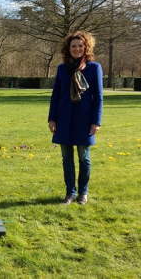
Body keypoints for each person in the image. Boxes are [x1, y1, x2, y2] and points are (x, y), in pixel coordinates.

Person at [48, 31, 103, 205]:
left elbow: (98, 97)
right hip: (63, 119)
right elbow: (56, 95)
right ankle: (70, 192)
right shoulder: (62, 69)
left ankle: (83, 193)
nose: (77, 49)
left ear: (86, 47)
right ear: (68, 48)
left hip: (84, 120)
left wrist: (96, 121)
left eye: (80, 45)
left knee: (83, 157)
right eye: (74, 46)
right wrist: (52, 118)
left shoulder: (94, 68)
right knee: (66, 157)